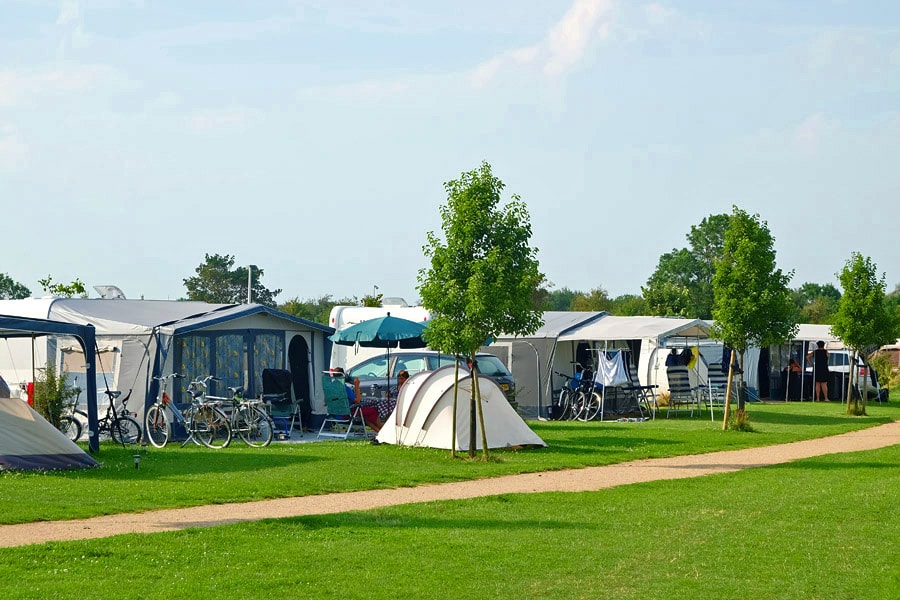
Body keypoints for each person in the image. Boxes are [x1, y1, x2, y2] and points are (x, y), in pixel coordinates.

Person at [330, 367, 382, 432]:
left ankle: (380, 431)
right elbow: (357, 400)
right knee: (373, 411)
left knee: (366, 414)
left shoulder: (330, 387)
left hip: (334, 414)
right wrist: (357, 386)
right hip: (345, 414)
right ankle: (383, 431)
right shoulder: (344, 388)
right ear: (343, 376)